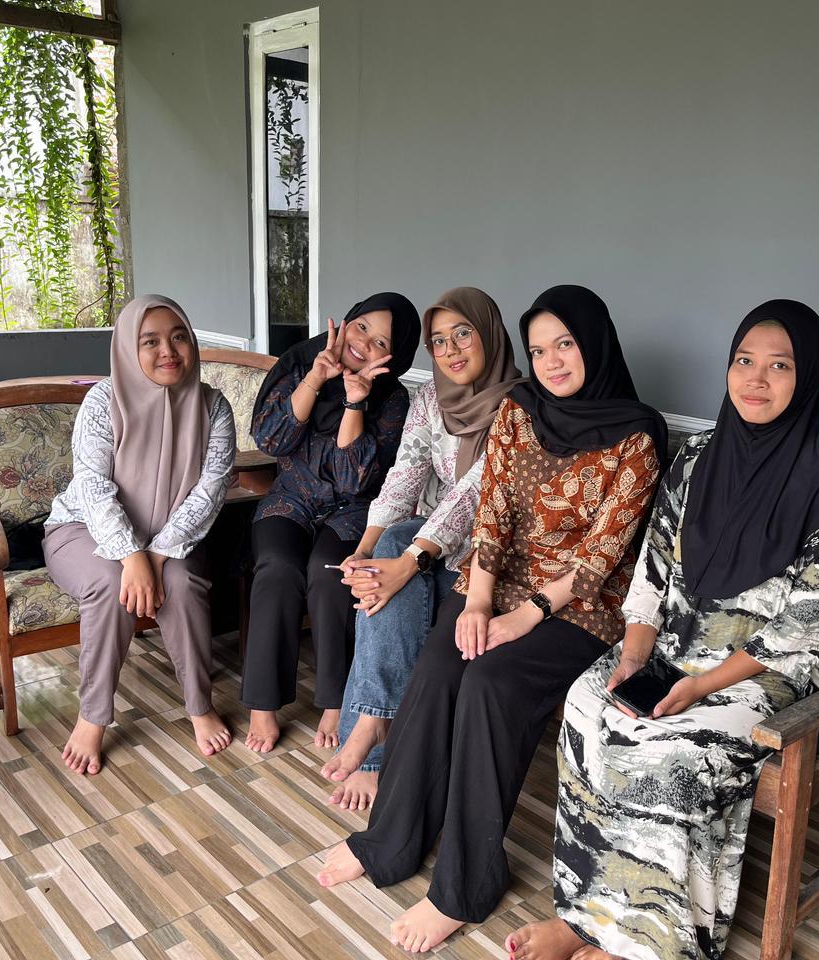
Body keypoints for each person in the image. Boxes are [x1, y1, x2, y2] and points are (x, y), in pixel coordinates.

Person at [506, 299, 819, 960]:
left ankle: (650, 943)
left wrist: (701, 687)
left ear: (808, 378)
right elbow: (652, 569)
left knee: (672, 751)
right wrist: (634, 654)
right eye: (744, 361)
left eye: (779, 366)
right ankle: (586, 916)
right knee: (589, 706)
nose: (756, 378)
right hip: (674, 643)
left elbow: (806, 630)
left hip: (769, 673)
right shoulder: (700, 456)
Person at [317, 284, 667, 955]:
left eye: (565, 344)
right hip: (495, 582)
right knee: (438, 669)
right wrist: (477, 602)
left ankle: (465, 885)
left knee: (489, 683)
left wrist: (525, 617)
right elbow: (493, 513)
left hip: (580, 608)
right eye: (540, 350)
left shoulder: (638, 434)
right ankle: (391, 839)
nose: (552, 361)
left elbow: (601, 557)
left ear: (595, 344)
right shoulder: (520, 409)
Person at [321, 287, 523, 811]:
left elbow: (476, 492)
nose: (451, 349)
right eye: (438, 341)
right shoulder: (430, 398)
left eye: (463, 334)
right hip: (428, 538)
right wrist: (364, 550)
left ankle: (370, 732)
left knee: (395, 558)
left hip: (489, 549)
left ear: (490, 334)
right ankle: (374, 727)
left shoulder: (522, 405)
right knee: (383, 551)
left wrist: (409, 561)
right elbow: (404, 475)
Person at [44, 294, 237, 776]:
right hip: (83, 528)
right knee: (110, 583)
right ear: (129, 348)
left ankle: (199, 704)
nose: (168, 350)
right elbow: (92, 486)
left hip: (173, 538)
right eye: (150, 341)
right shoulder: (102, 400)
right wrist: (131, 555)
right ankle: (93, 716)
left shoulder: (214, 407)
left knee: (185, 584)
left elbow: (211, 490)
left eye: (179, 337)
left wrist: (157, 553)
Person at [240, 294, 421, 753]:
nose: (365, 343)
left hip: (353, 509)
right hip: (292, 497)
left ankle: (336, 700)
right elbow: (271, 440)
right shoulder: (301, 361)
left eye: (382, 342)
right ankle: (263, 704)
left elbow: (351, 478)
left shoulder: (394, 399)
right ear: (345, 323)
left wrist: (355, 401)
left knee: (329, 574)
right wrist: (316, 379)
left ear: (393, 358)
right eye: (361, 327)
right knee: (277, 568)